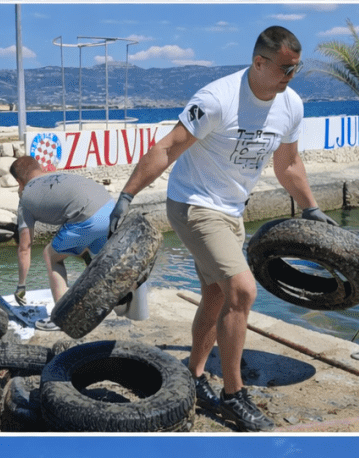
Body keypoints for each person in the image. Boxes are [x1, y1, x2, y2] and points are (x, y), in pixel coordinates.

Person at [109, 26, 334, 431]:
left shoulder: (291, 105)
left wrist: (312, 209)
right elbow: (166, 148)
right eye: (284, 69)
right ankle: (233, 395)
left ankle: (194, 378)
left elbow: (289, 166)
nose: (290, 77)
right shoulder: (217, 99)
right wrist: (125, 196)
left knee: (215, 296)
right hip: (193, 205)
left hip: (232, 210)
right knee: (242, 290)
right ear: (259, 62)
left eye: (296, 70)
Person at [9, 155, 115, 329]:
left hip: (87, 219)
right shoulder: (59, 176)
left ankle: (62, 318)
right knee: (82, 249)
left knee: (51, 255)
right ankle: (109, 297)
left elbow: (24, 248)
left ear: (19, 181)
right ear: (40, 168)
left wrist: (21, 285)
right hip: (110, 208)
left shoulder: (25, 198)